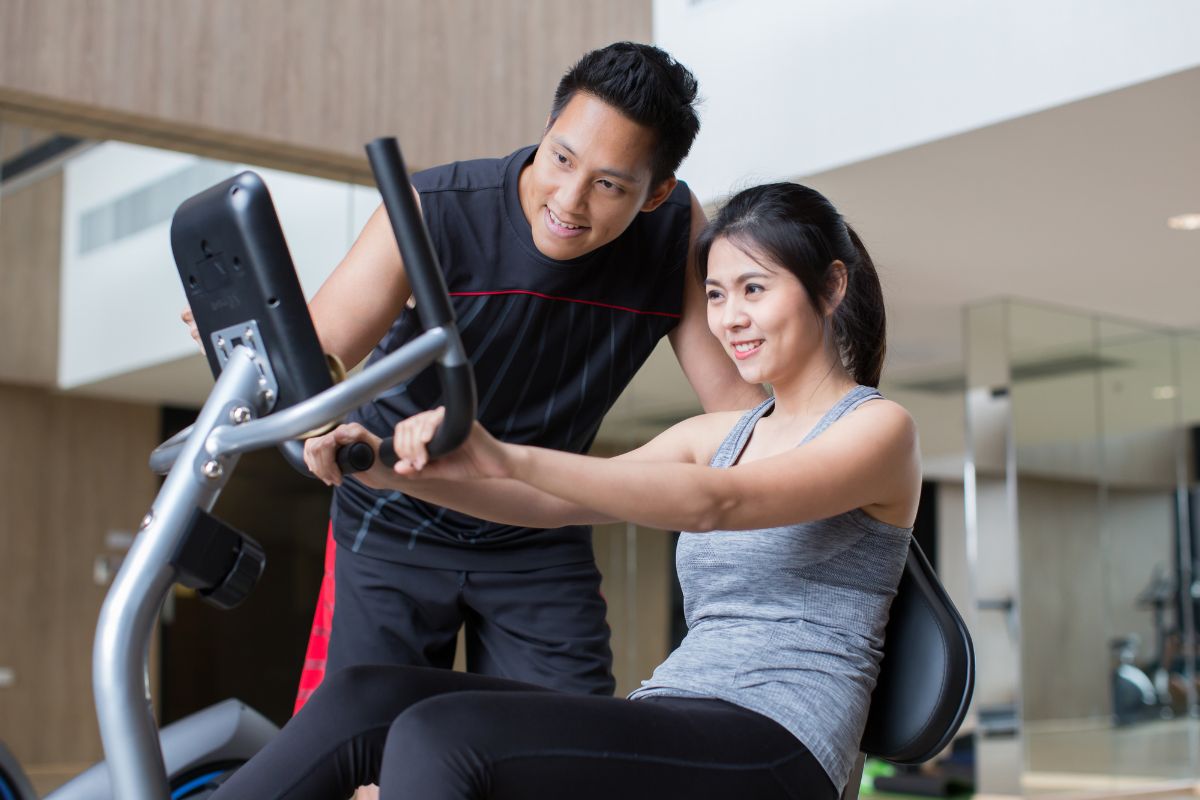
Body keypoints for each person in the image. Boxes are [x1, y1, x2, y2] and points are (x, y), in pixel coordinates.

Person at [209, 181, 922, 800]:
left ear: (831, 286)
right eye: (714, 294)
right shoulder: (722, 435)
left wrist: (507, 455)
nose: (729, 317)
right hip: (677, 710)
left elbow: (718, 503)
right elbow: (550, 506)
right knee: (365, 697)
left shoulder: (877, 430)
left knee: (442, 733)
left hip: (783, 744)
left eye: (754, 289)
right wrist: (380, 469)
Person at [185, 42, 764, 708]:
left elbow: (736, 416)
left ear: (656, 193)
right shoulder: (437, 207)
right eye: (561, 158)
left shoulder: (672, 234)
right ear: (545, 131)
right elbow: (321, 350)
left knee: (565, 747)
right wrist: (265, 356)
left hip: (535, 531)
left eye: (609, 185)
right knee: (360, 744)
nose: (570, 200)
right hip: (393, 512)